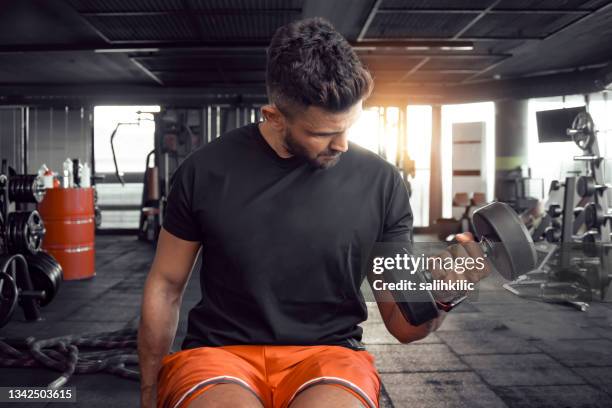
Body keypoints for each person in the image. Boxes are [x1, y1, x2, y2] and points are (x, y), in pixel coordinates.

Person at [138, 17, 489, 408]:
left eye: (349, 126)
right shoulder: (204, 170)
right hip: (219, 355)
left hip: (330, 358)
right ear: (274, 116)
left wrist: (442, 294)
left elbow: (403, 324)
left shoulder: (382, 183)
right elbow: (166, 285)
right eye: (322, 133)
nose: (340, 145)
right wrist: (150, 392)